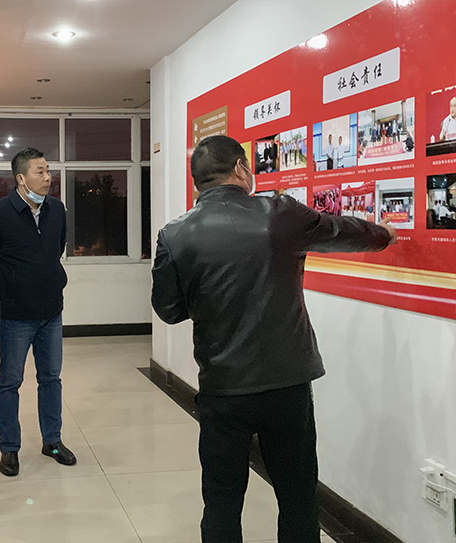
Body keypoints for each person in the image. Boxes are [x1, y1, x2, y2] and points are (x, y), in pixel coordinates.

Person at [151, 135, 396, 543]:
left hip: (222, 388)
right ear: (241, 168)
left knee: (222, 501)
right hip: (287, 384)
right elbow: (338, 230)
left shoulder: (174, 234)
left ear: (197, 180)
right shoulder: (279, 213)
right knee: (298, 497)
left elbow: (169, 310)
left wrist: (213, 299)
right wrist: (382, 234)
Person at [0, 147, 74, 479]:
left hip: (51, 311)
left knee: (51, 379)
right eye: (40, 171)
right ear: (20, 178)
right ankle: (10, 448)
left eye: (48, 171)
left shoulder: (56, 209)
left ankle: (52, 441)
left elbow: (56, 249)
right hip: (15, 316)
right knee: (10, 381)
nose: (48, 177)